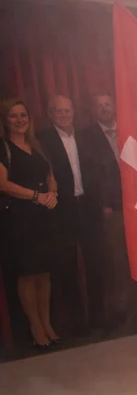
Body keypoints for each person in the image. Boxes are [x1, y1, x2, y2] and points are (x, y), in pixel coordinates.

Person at [38, 95, 105, 336]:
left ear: (74, 112)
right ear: (50, 114)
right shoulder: (42, 139)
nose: (64, 115)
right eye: (59, 111)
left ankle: (98, 318)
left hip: (88, 207)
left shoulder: (86, 136)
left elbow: (98, 170)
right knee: (67, 267)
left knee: (95, 263)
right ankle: (78, 324)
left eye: (67, 110)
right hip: (61, 210)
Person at [79, 93, 137, 329]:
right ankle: (122, 312)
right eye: (99, 105)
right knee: (117, 261)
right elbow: (89, 175)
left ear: (114, 106)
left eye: (108, 104)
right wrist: (102, 204)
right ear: (93, 110)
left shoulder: (130, 129)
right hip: (112, 209)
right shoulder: (86, 137)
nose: (104, 108)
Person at [0, 99, 60, 349]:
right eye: (13, 116)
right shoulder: (3, 147)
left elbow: (50, 175)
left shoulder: (37, 145)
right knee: (27, 274)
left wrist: (53, 193)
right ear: (5, 120)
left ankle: (47, 324)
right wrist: (36, 196)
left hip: (43, 217)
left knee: (44, 273)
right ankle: (36, 328)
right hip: (19, 219)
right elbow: (3, 184)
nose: (19, 120)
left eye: (23, 115)